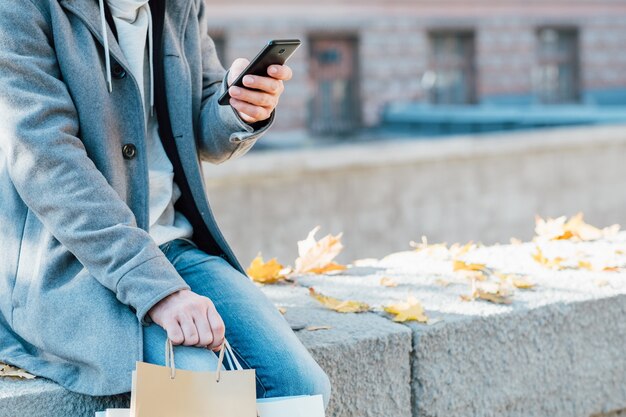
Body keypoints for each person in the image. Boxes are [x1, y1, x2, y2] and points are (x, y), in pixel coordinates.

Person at [0, 0, 331, 408]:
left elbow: (199, 120)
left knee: (302, 389)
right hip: (73, 265)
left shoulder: (182, 5)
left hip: (176, 246)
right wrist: (159, 289)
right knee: (196, 390)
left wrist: (240, 111)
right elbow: (48, 165)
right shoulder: (17, 9)